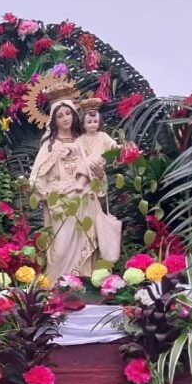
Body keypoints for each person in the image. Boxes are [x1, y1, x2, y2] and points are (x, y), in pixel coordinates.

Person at [29, 97, 113, 281]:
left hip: (85, 200)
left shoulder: (83, 141)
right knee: (60, 248)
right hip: (61, 203)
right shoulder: (49, 145)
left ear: (75, 116)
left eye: (68, 113)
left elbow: (97, 173)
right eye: (60, 115)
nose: (65, 118)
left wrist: (99, 173)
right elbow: (35, 178)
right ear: (54, 120)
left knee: (89, 244)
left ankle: (84, 285)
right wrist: (53, 191)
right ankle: (58, 288)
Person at [78, 99, 123, 265]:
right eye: (89, 122)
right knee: (87, 161)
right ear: (83, 124)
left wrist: (120, 148)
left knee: (94, 160)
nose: (92, 124)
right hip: (86, 181)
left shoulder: (103, 136)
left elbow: (113, 146)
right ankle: (82, 181)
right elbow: (75, 152)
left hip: (98, 173)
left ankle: (100, 259)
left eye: (95, 121)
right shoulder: (80, 140)